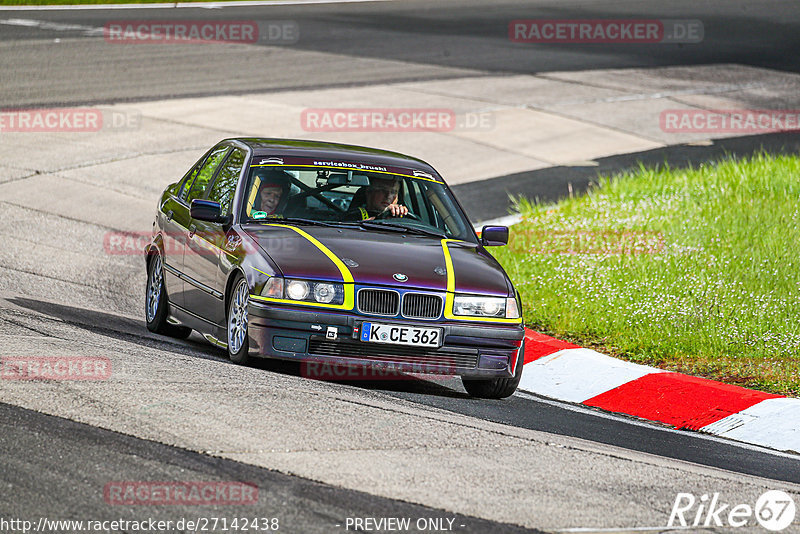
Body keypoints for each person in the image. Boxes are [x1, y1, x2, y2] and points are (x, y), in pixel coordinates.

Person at [344, 176, 409, 221]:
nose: (388, 196)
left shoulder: (403, 217)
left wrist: (402, 214)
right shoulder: (354, 215)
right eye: (383, 190)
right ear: (369, 192)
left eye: (393, 192)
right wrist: (380, 217)